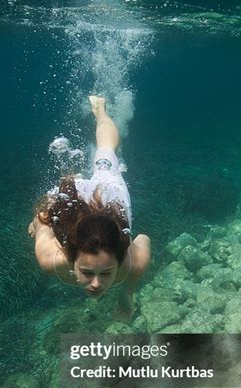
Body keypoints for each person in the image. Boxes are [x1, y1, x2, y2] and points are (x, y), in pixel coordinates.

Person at [29, 95, 151, 319]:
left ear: (119, 260)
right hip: (111, 196)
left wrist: (127, 293)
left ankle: (100, 109)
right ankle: (75, 178)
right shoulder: (51, 260)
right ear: (69, 257)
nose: (96, 284)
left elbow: (142, 240)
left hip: (106, 192)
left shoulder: (131, 263)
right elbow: (44, 215)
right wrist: (38, 224)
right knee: (53, 207)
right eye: (86, 272)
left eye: (106, 273)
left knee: (103, 154)